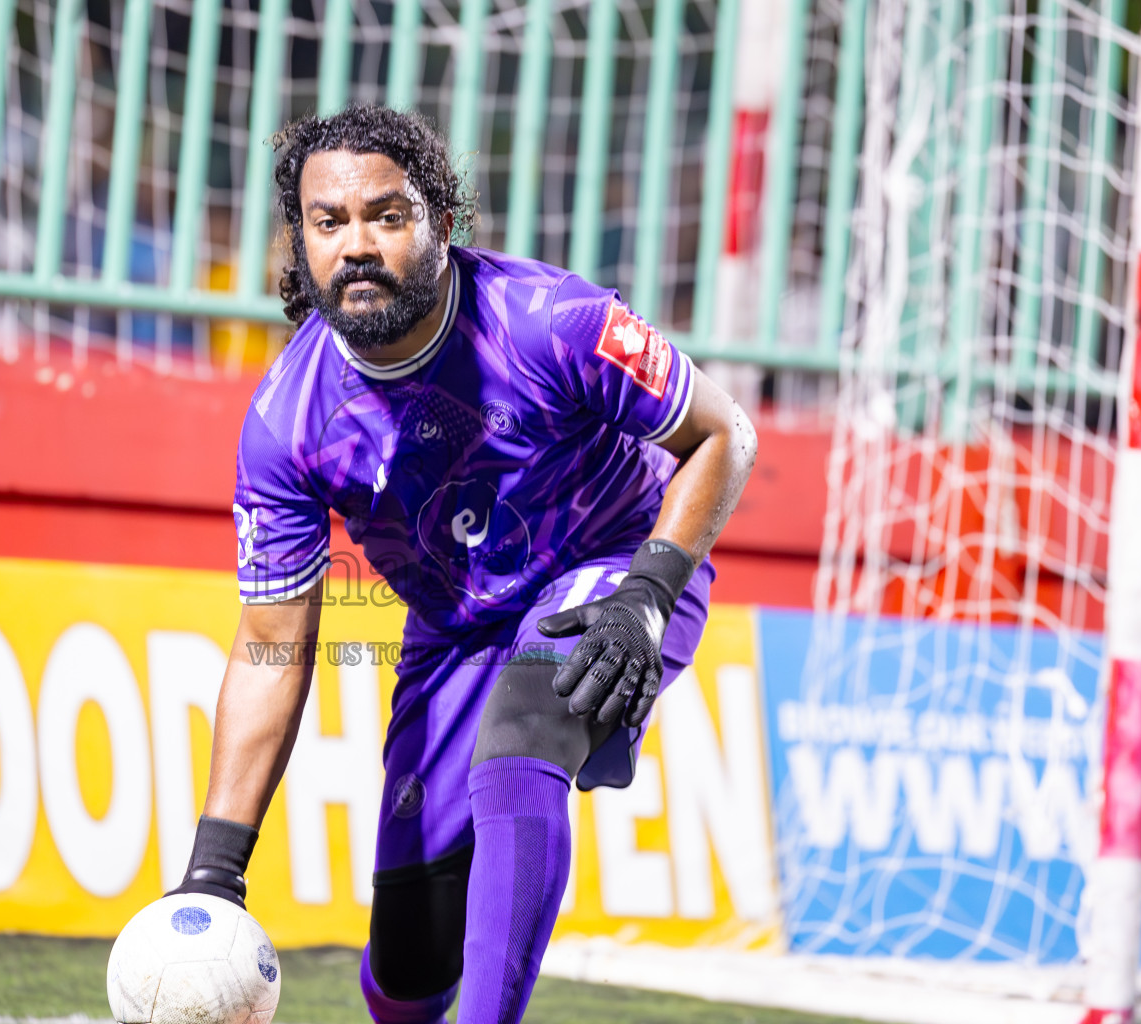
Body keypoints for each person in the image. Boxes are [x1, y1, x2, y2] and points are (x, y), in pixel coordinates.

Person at [169, 105, 757, 1024]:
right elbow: (269, 647)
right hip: (453, 630)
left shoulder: (552, 320)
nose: (356, 245)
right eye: (329, 223)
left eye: (386, 215)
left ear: (441, 223)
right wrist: (213, 867)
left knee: (523, 739)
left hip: (612, 568)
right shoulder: (286, 423)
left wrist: (648, 592)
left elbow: (723, 433)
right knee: (408, 970)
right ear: (302, 243)